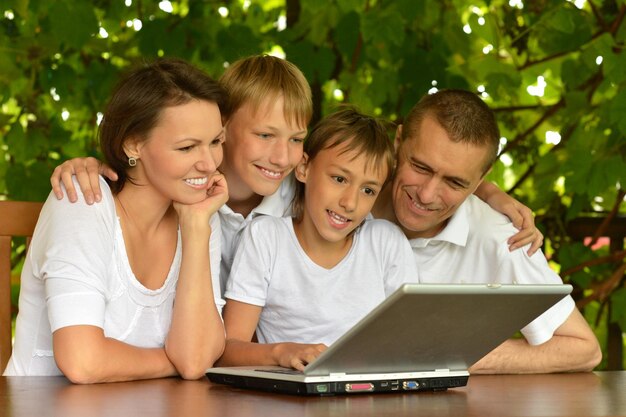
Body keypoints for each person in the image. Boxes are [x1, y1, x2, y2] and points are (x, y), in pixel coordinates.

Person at [48, 57, 544, 283]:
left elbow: (386, 158)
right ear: (222, 125)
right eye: (264, 136)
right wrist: (92, 161)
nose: (281, 156)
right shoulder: (188, 179)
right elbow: (144, 162)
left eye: (296, 140)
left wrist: (490, 195)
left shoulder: (298, 184)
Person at [3, 58, 228, 382]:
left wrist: (195, 228)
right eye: (187, 147)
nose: (209, 164)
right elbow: (83, 361)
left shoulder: (200, 213)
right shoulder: (83, 202)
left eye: (216, 141)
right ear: (133, 143)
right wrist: (174, 361)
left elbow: (195, 362)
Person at [372, 89, 602, 374]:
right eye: (420, 166)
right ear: (398, 141)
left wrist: (453, 355)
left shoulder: (501, 238)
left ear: (481, 178)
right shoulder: (343, 200)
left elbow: (584, 349)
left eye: (455, 182)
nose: (427, 194)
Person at [218, 107, 417, 370]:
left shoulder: (386, 243)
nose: (350, 202)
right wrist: (282, 353)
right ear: (303, 168)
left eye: (368, 190)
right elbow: (228, 350)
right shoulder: (266, 238)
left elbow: (411, 343)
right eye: (339, 178)